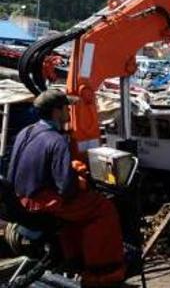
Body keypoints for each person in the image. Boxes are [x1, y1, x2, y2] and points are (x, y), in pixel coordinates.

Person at [9, 89, 126, 287]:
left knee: (79, 210)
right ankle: (102, 273)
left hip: (19, 199)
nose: (69, 111)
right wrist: (79, 178)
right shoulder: (57, 141)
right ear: (56, 112)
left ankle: (73, 258)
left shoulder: (25, 132)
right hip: (40, 203)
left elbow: (17, 169)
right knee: (103, 208)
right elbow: (66, 188)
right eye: (66, 108)